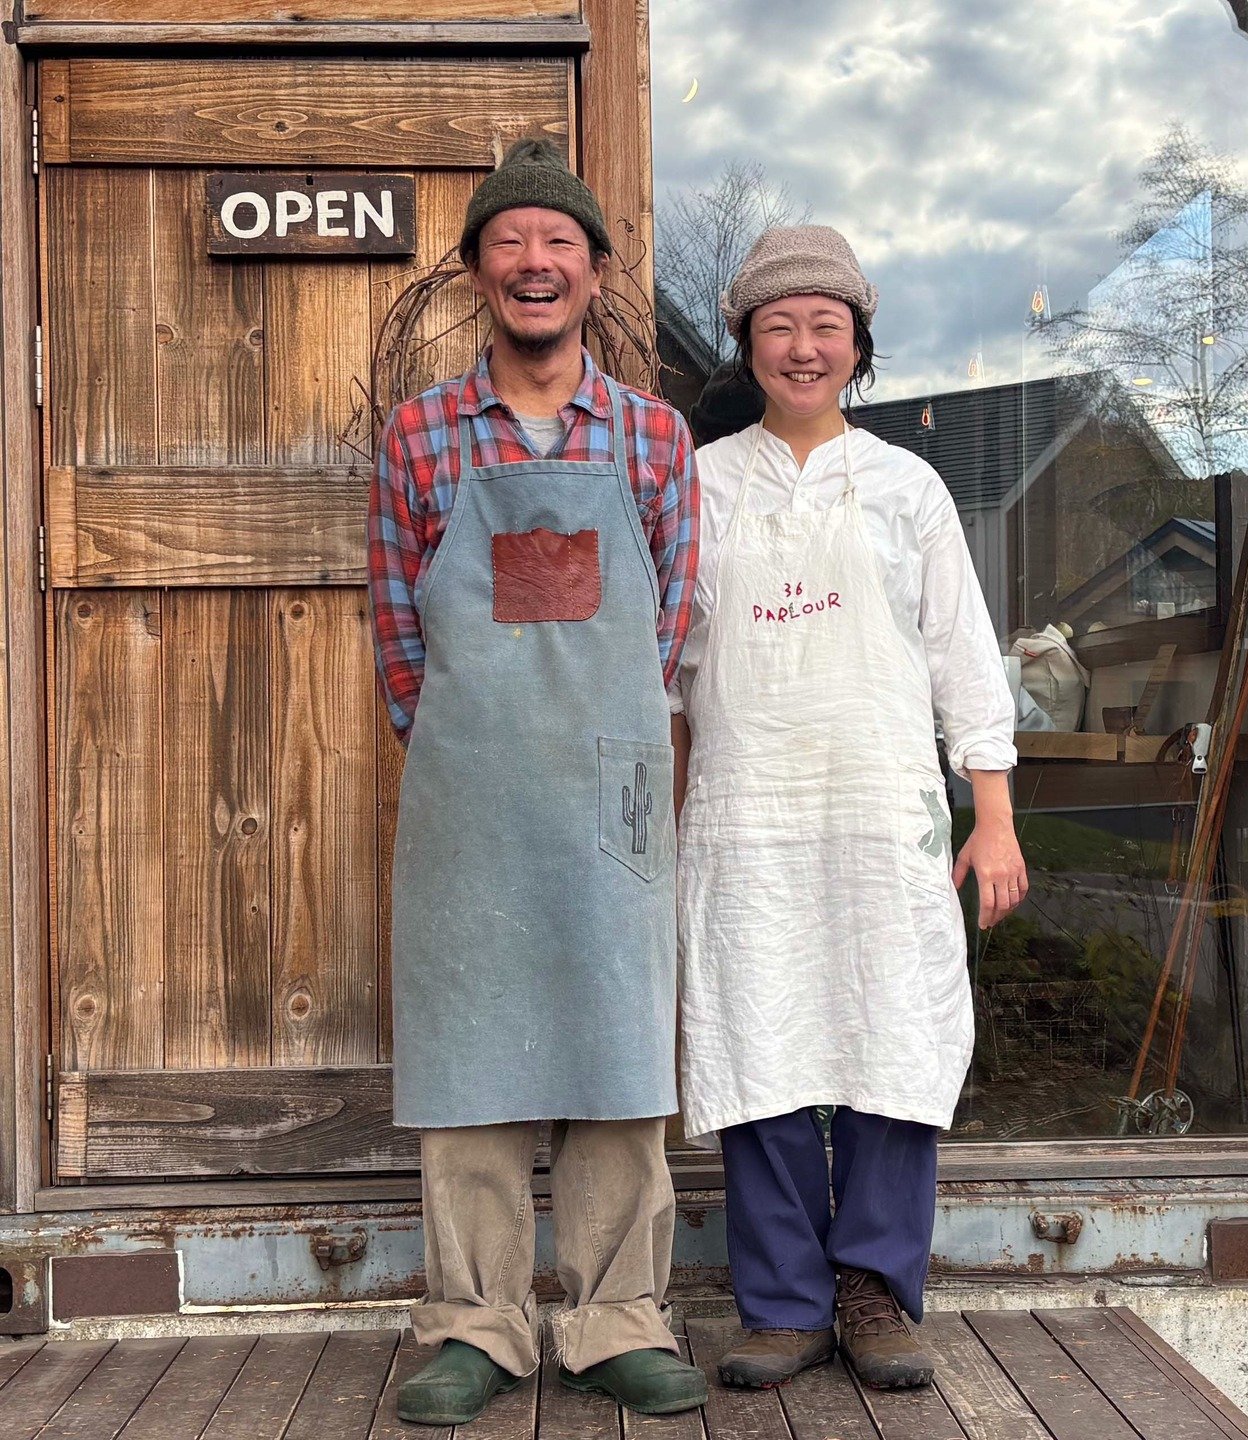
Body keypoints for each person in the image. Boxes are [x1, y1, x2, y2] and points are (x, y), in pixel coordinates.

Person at [367, 138, 707, 1425]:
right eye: (508, 242)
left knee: (621, 1050)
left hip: (611, 788)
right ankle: (477, 1325)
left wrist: (606, 741)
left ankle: (618, 1318)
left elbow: (665, 624)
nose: (534, 264)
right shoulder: (420, 434)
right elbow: (400, 631)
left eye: (558, 243)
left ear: (598, 273)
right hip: (469, 788)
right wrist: (468, 751)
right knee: (468, 1057)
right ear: (475, 274)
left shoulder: (655, 438)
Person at [672, 226, 1026, 1391]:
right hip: (746, 806)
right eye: (781, 326)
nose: (804, 346)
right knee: (756, 1029)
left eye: (827, 326)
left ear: (860, 349)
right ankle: (779, 1301)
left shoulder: (906, 485)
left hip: (882, 808)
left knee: (892, 1030)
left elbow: (962, 652)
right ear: (749, 346)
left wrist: (994, 809)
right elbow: (667, 657)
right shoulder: (704, 482)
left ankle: (876, 1290)